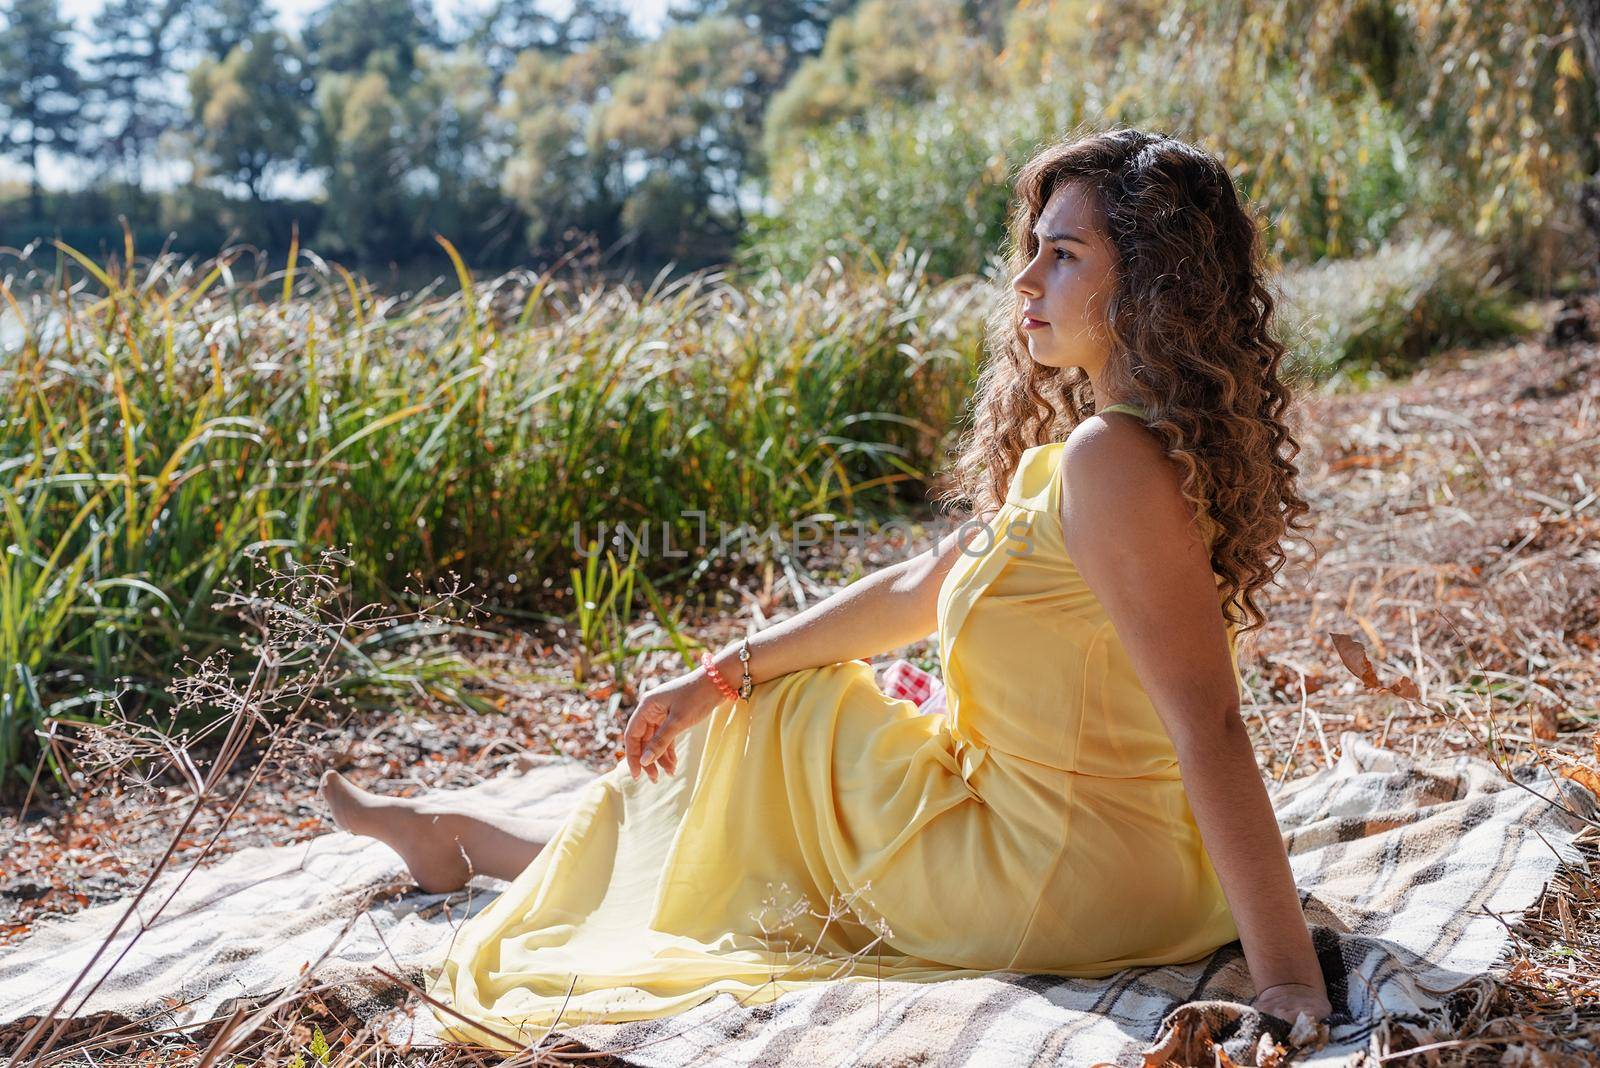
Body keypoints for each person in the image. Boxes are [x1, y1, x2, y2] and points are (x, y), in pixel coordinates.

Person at [319, 126, 1331, 1050]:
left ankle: (473, 843)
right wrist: (713, 672)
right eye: (1033, 245)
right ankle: (474, 841)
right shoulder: (1094, 457)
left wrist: (1285, 977)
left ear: (1150, 285)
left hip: (1059, 877)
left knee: (786, 718)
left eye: (1063, 255)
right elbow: (912, 589)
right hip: (1113, 860)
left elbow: (1213, 723)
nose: (1025, 278)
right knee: (759, 703)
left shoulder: (1112, 462)